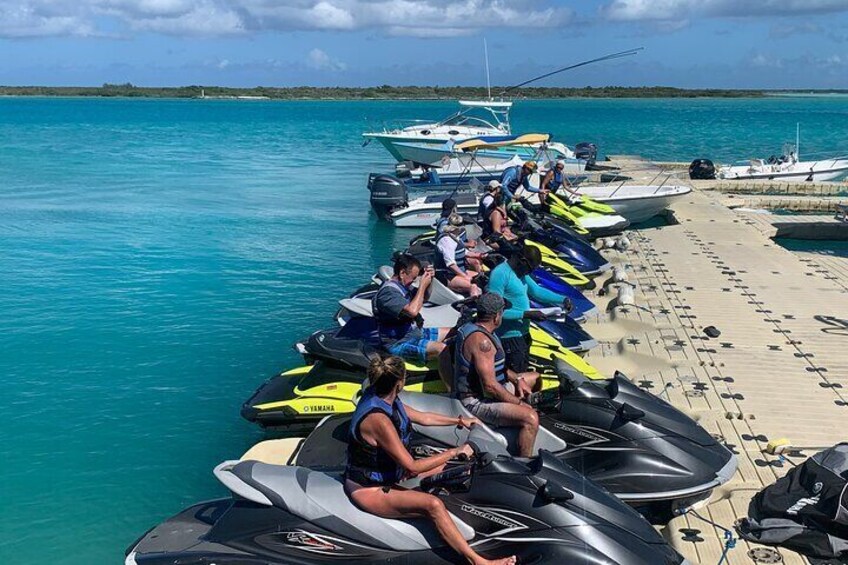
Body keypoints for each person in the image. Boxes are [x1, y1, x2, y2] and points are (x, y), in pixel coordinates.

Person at [345, 356, 513, 565]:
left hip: (393, 474)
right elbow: (412, 466)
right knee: (433, 505)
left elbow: (423, 417)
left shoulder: (383, 396)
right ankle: (478, 561)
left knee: (456, 466)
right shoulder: (378, 420)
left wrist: (461, 420)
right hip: (370, 488)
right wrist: (454, 451)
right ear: (400, 383)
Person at [452, 293, 539, 458]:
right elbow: (490, 386)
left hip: (490, 392)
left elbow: (498, 368)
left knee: (533, 377)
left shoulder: (481, 328)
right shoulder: (481, 341)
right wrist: (519, 403)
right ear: (497, 316)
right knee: (531, 418)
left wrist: (517, 379)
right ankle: (522, 464)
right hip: (476, 401)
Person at [486, 245, 570, 381]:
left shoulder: (521, 273)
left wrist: (562, 300)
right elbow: (494, 311)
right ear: (522, 261)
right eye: (530, 269)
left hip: (523, 335)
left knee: (523, 375)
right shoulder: (500, 274)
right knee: (515, 379)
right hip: (509, 338)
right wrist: (526, 314)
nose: (529, 273)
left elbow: (536, 291)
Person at [372, 254, 449, 363]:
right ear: (402, 273)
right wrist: (422, 285)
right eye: (413, 278)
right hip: (399, 343)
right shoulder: (388, 293)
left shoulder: (403, 287)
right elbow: (412, 311)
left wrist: (429, 280)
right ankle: (451, 379)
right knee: (442, 349)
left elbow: (424, 298)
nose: (414, 281)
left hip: (414, 333)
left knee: (453, 332)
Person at [434, 214, 483, 297]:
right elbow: (450, 264)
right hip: (447, 276)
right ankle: (476, 306)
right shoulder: (446, 241)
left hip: (459, 273)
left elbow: (465, 252)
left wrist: (481, 255)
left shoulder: (455, 236)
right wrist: (465, 276)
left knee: (482, 279)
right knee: (473, 286)